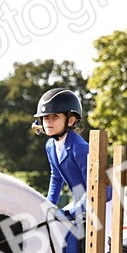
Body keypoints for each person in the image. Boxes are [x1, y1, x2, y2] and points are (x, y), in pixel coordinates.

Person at [33, 88, 90, 217]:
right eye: (45, 117)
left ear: (71, 120)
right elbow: (56, 178)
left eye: (54, 116)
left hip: (102, 203)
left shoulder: (80, 148)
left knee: (72, 236)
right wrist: (48, 207)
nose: (48, 121)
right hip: (81, 203)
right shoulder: (50, 146)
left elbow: (93, 188)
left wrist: (72, 212)